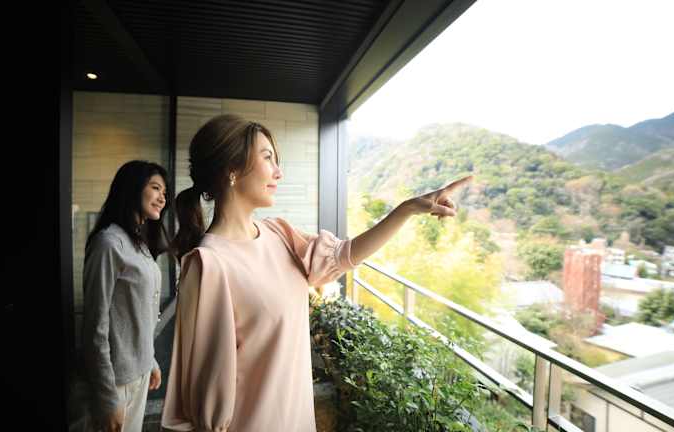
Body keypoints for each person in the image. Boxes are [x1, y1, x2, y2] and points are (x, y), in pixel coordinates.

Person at [161, 114, 472, 432]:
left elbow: (344, 255)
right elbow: (206, 396)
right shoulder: (209, 264)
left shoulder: (278, 234)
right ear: (232, 170)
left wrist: (407, 209)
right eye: (267, 158)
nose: (279, 172)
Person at [81, 160, 170, 432]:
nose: (162, 198)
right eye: (155, 188)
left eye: (164, 192)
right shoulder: (109, 244)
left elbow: (139, 314)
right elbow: (95, 327)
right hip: (116, 382)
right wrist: (107, 396)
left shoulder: (139, 244)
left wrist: (150, 360)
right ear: (133, 188)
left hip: (139, 375)